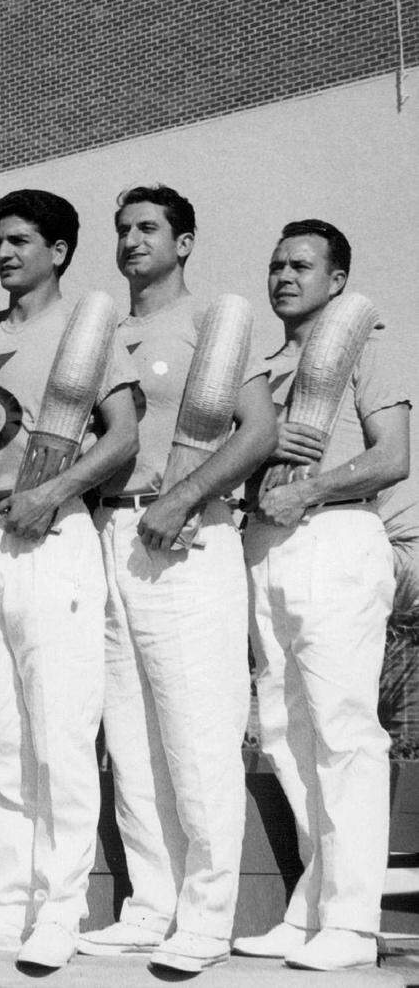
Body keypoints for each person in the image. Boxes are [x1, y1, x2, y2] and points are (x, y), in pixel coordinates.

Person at [0, 189, 138, 968]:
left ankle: (61, 907)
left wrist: (53, 492)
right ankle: (9, 903)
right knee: (5, 729)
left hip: (54, 531)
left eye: (20, 240)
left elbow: (123, 436)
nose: (5, 253)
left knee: (59, 727)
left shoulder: (86, 330)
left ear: (59, 251)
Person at [79, 185, 277, 974]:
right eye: (123, 229)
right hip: (110, 532)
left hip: (189, 537)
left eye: (149, 228)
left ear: (184, 241)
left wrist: (186, 494)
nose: (132, 240)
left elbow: (257, 430)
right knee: (130, 738)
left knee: (197, 734)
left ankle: (206, 916)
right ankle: (151, 905)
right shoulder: (106, 331)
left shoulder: (209, 323)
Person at [234, 220, 411, 971]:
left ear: (337, 280)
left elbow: (392, 456)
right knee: (283, 730)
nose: (284, 276)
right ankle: (312, 907)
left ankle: (353, 921)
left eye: (301, 265)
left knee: (344, 730)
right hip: (263, 543)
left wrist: (311, 488)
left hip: (337, 537)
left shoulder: (366, 344)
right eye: (276, 264)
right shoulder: (263, 368)